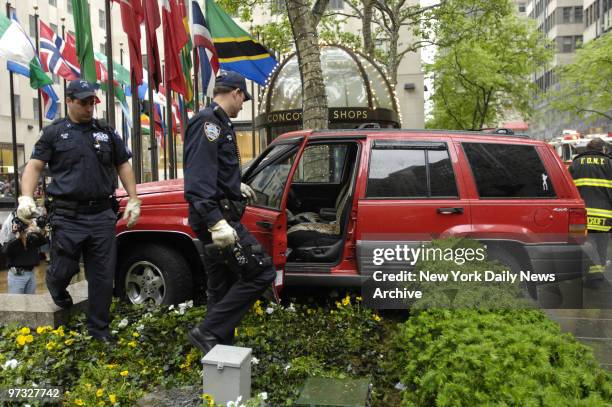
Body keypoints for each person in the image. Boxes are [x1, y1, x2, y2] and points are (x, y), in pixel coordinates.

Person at [17, 80, 141, 343]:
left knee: (102, 277)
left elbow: (123, 165)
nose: (89, 107)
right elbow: (35, 166)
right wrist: (26, 197)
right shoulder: (54, 133)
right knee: (63, 268)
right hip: (67, 216)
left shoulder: (106, 132)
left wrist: (133, 198)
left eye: (92, 102)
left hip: (101, 216)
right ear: (70, 101)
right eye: (83, 102)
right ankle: (55, 285)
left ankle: (99, 331)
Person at [184, 70, 276, 354]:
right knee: (261, 272)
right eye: (243, 99)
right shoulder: (208, 123)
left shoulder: (220, 123)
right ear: (235, 92)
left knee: (221, 286)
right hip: (218, 219)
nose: (242, 105)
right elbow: (198, 180)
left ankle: (218, 349)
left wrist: (236, 185)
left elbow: (216, 171)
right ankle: (208, 331)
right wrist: (217, 223)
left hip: (222, 212)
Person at [569, 138, 612, 285]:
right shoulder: (609, 164)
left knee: (583, 244)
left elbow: (568, 190)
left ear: (587, 149)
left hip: (579, 216)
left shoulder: (575, 163)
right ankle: (596, 276)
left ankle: (588, 275)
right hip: (604, 214)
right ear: (603, 149)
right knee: (601, 244)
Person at [0, 212, 47, 294]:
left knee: (30, 301)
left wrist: (35, 230)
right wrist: (16, 236)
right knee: (17, 303)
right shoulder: (12, 240)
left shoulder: (32, 238)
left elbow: (43, 241)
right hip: (16, 276)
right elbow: (5, 251)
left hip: (31, 274)